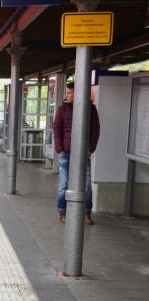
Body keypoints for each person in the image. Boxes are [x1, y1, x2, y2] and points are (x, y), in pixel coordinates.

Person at [53, 82, 99, 225]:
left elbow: (96, 129)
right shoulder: (62, 109)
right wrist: (60, 148)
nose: (66, 95)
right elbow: (57, 128)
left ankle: (87, 213)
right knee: (64, 184)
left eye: (69, 93)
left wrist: (90, 148)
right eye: (66, 92)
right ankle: (62, 211)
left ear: (78, 93)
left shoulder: (90, 109)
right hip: (66, 153)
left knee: (86, 185)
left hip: (83, 153)